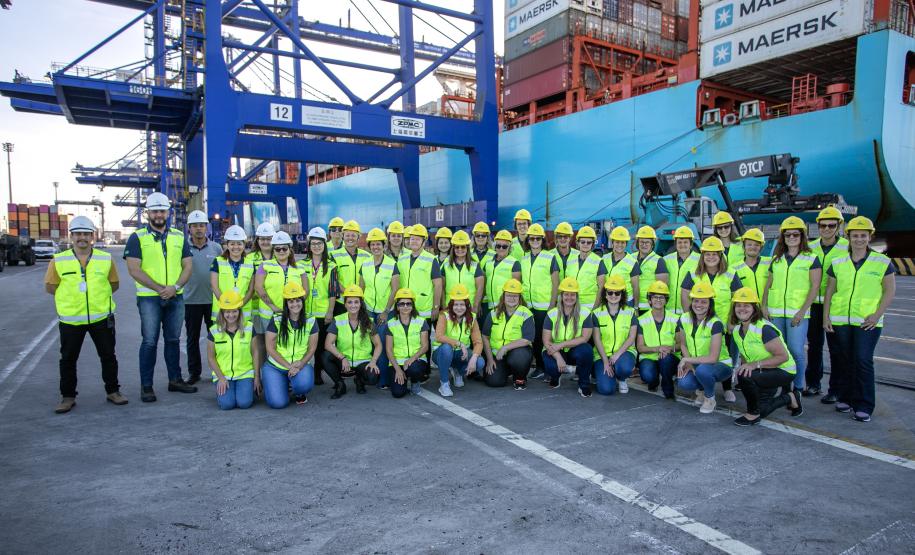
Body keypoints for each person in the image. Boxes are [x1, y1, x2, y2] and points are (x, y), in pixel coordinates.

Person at [46, 216, 126, 413]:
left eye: (86, 234)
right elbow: (51, 286)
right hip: (72, 319)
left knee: (108, 356)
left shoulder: (105, 259)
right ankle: (68, 396)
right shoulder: (59, 260)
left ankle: (113, 391)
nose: (82, 237)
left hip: (101, 317)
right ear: (71, 236)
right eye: (78, 234)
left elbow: (114, 284)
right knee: (68, 359)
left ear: (92, 236)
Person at [124, 192, 195, 402]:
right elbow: (133, 269)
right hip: (149, 298)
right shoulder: (137, 237)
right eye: (154, 211)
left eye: (162, 211)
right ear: (148, 213)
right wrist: (159, 288)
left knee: (173, 340)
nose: (158, 215)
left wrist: (176, 286)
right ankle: (147, 386)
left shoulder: (178, 237)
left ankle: (175, 380)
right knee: (149, 342)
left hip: (176, 295)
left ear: (168, 213)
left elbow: (187, 265)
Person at [823, 216, 896, 422]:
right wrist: (825, 317)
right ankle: (846, 398)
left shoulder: (882, 262)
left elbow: (889, 291)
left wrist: (876, 315)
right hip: (840, 320)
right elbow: (830, 291)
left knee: (863, 360)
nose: (859, 239)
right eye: (855, 236)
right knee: (845, 360)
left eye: (863, 236)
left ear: (870, 237)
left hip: (867, 321)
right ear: (848, 236)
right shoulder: (838, 262)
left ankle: (864, 404)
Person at [680, 236, 743, 402]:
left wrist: (731, 321)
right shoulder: (694, 274)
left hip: (725, 324)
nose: (711, 257)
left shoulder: (730, 274)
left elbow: (737, 299)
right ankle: (702, 388)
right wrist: (693, 318)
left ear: (721, 256)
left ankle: (727, 388)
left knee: (727, 355)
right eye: (707, 254)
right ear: (702, 256)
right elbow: (685, 295)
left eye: (715, 254)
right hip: (702, 324)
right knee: (702, 354)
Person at [762, 216, 821, 393]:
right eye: (788, 235)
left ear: (802, 236)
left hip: (798, 313)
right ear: (783, 237)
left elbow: (815, 286)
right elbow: (768, 285)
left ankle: (798, 386)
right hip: (776, 312)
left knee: (795, 350)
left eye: (796, 235)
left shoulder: (811, 258)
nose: (792, 238)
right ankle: (784, 386)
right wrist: (764, 305)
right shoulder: (777, 259)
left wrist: (802, 312)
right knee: (780, 351)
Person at [729, 287, 802, 426]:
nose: (741, 309)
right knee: (762, 409)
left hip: (783, 371)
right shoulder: (738, 330)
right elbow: (745, 357)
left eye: (746, 305)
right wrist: (747, 366)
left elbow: (783, 357)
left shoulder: (764, 328)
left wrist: (753, 366)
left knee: (744, 376)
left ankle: (752, 414)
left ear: (754, 308)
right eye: (738, 305)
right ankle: (790, 397)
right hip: (765, 371)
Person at [806, 206, 848, 398]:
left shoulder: (846, 247)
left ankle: (835, 390)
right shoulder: (810, 247)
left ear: (839, 226)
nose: (827, 229)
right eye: (823, 225)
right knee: (814, 347)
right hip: (813, 304)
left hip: (835, 305)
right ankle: (813, 384)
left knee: (836, 349)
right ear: (818, 227)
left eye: (832, 225)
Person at [676, 283, 732, 414]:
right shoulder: (684, 318)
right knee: (684, 383)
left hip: (721, 365)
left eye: (704, 302)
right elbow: (683, 344)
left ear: (710, 304)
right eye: (696, 301)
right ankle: (701, 390)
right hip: (697, 363)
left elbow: (713, 358)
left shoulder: (715, 323)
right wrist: (689, 363)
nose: (699, 305)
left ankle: (709, 397)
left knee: (703, 370)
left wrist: (688, 360)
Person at [183, 210, 223, 385]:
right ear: (189, 228)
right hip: (190, 301)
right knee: (192, 339)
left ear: (206, 227)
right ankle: (194, 372)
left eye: (202, 225)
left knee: (217, 337)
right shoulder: (183, 248)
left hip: (213, 301)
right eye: (195, 226)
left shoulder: (216, 248)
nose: (199, 229)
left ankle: (220, 371)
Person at [323, 285, 385, 398]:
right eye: (350, 302)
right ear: (345, 304)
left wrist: (373, 361)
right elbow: (328, 344)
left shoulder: (369, 321)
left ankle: (360, 381)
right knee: (325, 356)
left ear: (361, 304)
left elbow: (378, 344)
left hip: (363, 361)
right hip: (343, 361)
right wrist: (342, 357)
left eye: (356, 302)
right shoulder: (338, 320)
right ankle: (340, 384)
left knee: (373, 377)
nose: (353, 305)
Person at [263, 282, 318, 408]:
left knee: (303, 385)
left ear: (302, 301)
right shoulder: (276, 319)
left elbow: (312, 348)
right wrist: (289, 366)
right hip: (277, 366)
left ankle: (297, 390)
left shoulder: (311, 320)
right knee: (278, 403)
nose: (295, 304)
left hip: (300, 365)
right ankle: (281, 383)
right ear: (286, 303)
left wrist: (302, 363)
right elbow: (270, 348)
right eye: (291, 301)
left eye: (298, 300)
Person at [542, 277, 595, 397]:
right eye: (566, 294)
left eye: (573, 295)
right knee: (552, 367)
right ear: (561, 296)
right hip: (555, 350)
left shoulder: (585, 313)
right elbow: (546, 341)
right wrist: (558, 357)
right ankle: (556, 377)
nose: (569, 298)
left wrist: (562, 344)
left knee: (586, 350)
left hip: (573, 349)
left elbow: (584, 338)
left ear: (577, 297)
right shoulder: (552, 313)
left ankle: (584, 385)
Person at [519, 223, 558, 378]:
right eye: (532, 238)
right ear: (528, 240)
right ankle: (539, 367)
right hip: (528, 305)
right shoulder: (523, 259)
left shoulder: (550, 257)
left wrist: (551, 305)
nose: (535, 241)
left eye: (538, 238)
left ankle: (546, 368)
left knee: (544, 339)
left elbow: (556, 283)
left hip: (544, 306)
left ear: (542, 240)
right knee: (532, 338)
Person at [360, 227, 398, 389]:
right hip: (368, 309)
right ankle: (369, 375)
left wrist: (386, 311)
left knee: (382, 344)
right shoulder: (365, 264)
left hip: (385, 311)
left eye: (378, 244)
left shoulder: (392, 264)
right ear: (369, 246)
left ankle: (383, 380)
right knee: (369, 343)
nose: (375, 247)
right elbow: (361, 288)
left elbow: (395, 289)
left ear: (384, 246)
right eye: (373, 244)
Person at [207, 291, 257, 410]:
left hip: (245, 374)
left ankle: (246, 390)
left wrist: (257, 377)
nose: (231, 315)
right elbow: (211, 358)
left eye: (234, 311)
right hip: (224, 375)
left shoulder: (249, 327)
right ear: (222, 313)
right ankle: (227, 392)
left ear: (239, 311)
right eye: (227, 312)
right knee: (227, 405)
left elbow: (255, 353)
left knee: (244, 403)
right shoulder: (214, 331)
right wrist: (221, 378)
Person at [432, 284, 484, 397]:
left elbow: (478, 342)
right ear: (451, 305)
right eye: (456, 304)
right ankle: (444, 384)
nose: (459, 308)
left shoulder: (472, 317)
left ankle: (457, 371)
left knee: (480, 362)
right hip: (441, 353)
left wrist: (474, 358)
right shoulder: (443, 315)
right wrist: (459, 344)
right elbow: (439, 336)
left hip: (460, 354)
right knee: (446, 348)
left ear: (467, 305)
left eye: (462, 304)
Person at [482, 279, 535, 389]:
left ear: (520, 297)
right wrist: (490, 359)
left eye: (515, 296)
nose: (512, 298)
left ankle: (520, 378)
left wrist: (505, 348)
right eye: (509, 295)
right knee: (494, 382)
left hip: (517, 353)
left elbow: (527, 339)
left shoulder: (526, 313)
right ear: (503, 296)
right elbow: (485, 337)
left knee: (519, 357)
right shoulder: (493, 313)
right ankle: (504, 371)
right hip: (497, 356)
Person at [302, 227, 338, 385]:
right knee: (308, 345)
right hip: (305, 313)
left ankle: (318, 373)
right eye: (313, 243)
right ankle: (307, 373)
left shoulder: (331, 265)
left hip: (323, 313)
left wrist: (330, 312)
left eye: (319, 243)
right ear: (309, 245)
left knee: (321, 346)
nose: (316, 246)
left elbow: (333, 291)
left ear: (324, 244)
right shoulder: (301, 265)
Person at [592, 275, 637, 396]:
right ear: (605, 294)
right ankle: (606, 375)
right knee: (606, 390)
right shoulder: (597, 313)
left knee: (624, 368)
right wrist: (606, 361)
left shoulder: (631, 312)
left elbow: (631, 337)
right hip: (602, 355)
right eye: (610, 292)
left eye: (617, 293)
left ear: (622, 295)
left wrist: (617, 355)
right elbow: (597, 339)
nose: (613, 296)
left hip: (624, 353)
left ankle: (622, 378)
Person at [636, 281, 679, 399]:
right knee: (647, 375)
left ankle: (668, 390)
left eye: (661, 297)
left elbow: (681, 344)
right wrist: (658, 348)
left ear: (666, 300)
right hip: (649, 357)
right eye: (654, 297)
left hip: (669, 356)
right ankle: (653, 381)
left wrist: (668, 349)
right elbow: (640, 347)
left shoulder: (675, 319)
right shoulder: (641, 320)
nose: (658, 300)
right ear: (649, 300)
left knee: (666, 361)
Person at [386, 288, 431, 398]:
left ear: (412, 306)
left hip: (416, 360)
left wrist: (412, 359)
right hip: (397, 362)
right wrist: (397, 369)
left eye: (408, 304)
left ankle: (415, 382)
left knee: (414, 369)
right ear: (397, 306)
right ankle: (404, 378)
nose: (405, 306)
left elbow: (425, 346)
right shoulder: (391, 323)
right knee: (398, 393)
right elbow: (389, 349)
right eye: (402, 304)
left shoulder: (421, 321)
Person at [245, 221, 276, 378]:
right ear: (257, 240)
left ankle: (272, 374)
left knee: (273, 342)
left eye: (268, 238)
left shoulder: (279, 254)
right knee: (259, 343)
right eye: (262, 239)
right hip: (256, 308)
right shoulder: (250, 258)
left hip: (273, 308)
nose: (265, 242)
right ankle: (260, 373)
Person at [396, 224, 443, 321]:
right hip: (405, 308)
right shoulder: (401, 259)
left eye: (417, 239)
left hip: (423, 309)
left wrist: (436, 307)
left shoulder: (431, 260)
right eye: (412, 239)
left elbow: (438, 285)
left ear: (424, 241)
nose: (414, 241)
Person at [210, 225, 255, 323]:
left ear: (244, 244)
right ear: (227, 245)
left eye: (239, 244)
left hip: (243, 312)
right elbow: (214, 286)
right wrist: (227, 305)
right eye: (232, 244)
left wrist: (239, 305)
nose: (236, 247)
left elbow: (251, 290)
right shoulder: (217, 261)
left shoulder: (250, 263)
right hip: (222, 312)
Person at [331, 220, 370, 316]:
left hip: (360, 302)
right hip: (341, 302)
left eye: (353, 235)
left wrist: (358, 295)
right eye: (347, 235)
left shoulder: (367, 256)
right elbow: (334, 279)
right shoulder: (334, 255)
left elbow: (368, 277)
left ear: (358, 237)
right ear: (343, 236)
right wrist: (349, 294)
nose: (350, 238)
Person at [441, 230, 484, 313]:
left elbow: (480, 288)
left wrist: (475, 306)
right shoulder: (446, 265)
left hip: (469, 308)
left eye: (463, 247)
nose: (460, 249)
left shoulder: (475, 265)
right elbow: (442, 287)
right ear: (453, 248)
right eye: (457, 247)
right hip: (450, 307)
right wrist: (443, 305)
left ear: (467, 248)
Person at [483, 230, 522, 318]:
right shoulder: (488, 263)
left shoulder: (514, 264)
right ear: (494, 246)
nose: (501, 249)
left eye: (504, 246)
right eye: (498, 246)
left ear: (510, 248)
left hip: (505, 307)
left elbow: (516, 290)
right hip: (489, 305)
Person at [630, 226, 668, 312]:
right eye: (641, 242)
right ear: (637, 243)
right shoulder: (630, 258)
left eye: (647, 242)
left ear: (652, 244)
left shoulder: (659, 261)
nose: (644, 245)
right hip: (630, 304)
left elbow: (661, 287)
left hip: (648, 307)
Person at [662, 226, 699, 315]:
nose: (682, 245)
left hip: (690, 309)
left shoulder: (699, 260)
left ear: (691, 244)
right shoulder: (666, 259)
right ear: (675, 244)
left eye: (685, 242)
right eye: (680, 242)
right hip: (669, 311)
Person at [568, 225, 606, 310]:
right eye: (583, 242)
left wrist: (595, 308)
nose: (585, 244)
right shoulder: (570, 260)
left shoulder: (599, 262)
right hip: (572, 305)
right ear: (577, 242)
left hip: (590, 306)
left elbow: (601, 288)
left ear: (593, 244)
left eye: (589, 242)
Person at [732, 228, 771, 301]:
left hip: (768, 310)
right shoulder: (734, 269)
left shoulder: (770, 263)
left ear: (761, 247)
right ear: (744, 247)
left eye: (756, 245)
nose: (753, 247)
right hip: (747, 310)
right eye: (749, 244)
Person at [601, 226, 637, 302]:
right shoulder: (604, 258)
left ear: (626, 244)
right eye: (617, 242)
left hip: (626, 300)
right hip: (609, 298)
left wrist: (636, 307)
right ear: (612, 242)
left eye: (623, 242)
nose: (619, 245)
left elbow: (636, 287)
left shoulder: (632, 262)